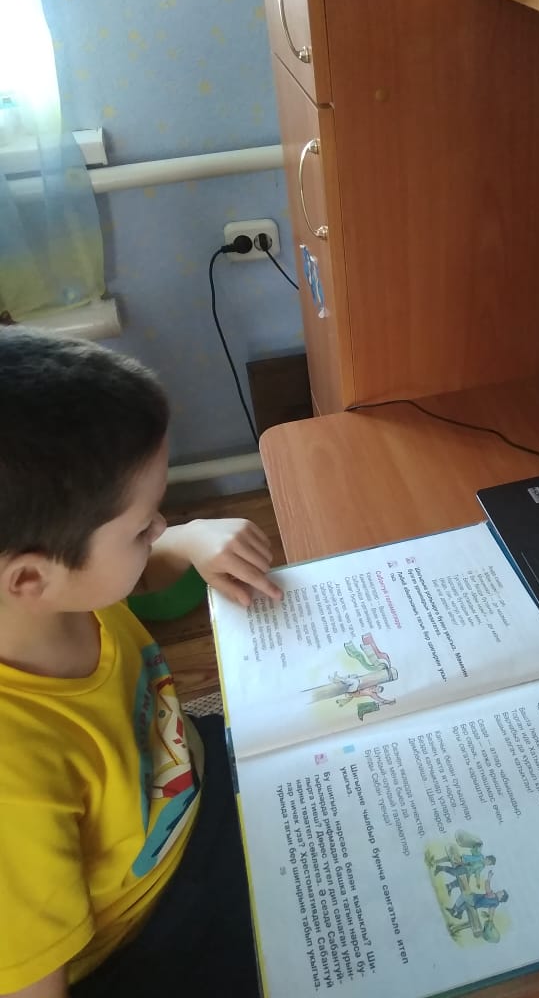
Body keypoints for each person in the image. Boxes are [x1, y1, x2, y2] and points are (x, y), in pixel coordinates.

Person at [0, 327, 283, 998]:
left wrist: (186, 541)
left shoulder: (54, 595)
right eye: (143, 525)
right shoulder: (13, 783)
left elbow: (130, 574)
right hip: (153, 931)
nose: (159, 528)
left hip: (187, 784)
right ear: (31, 578)